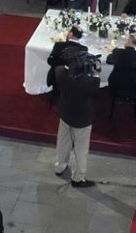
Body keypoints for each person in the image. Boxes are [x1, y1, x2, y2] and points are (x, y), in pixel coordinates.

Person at [53, 48, 100, 188]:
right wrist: (96, 73)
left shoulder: (59, 71)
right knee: (81, 148)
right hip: (82, 119)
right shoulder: (86, 81)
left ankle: (60, 167)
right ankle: (78, 178)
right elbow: (95, 91)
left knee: (63, 142)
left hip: (65, 113)